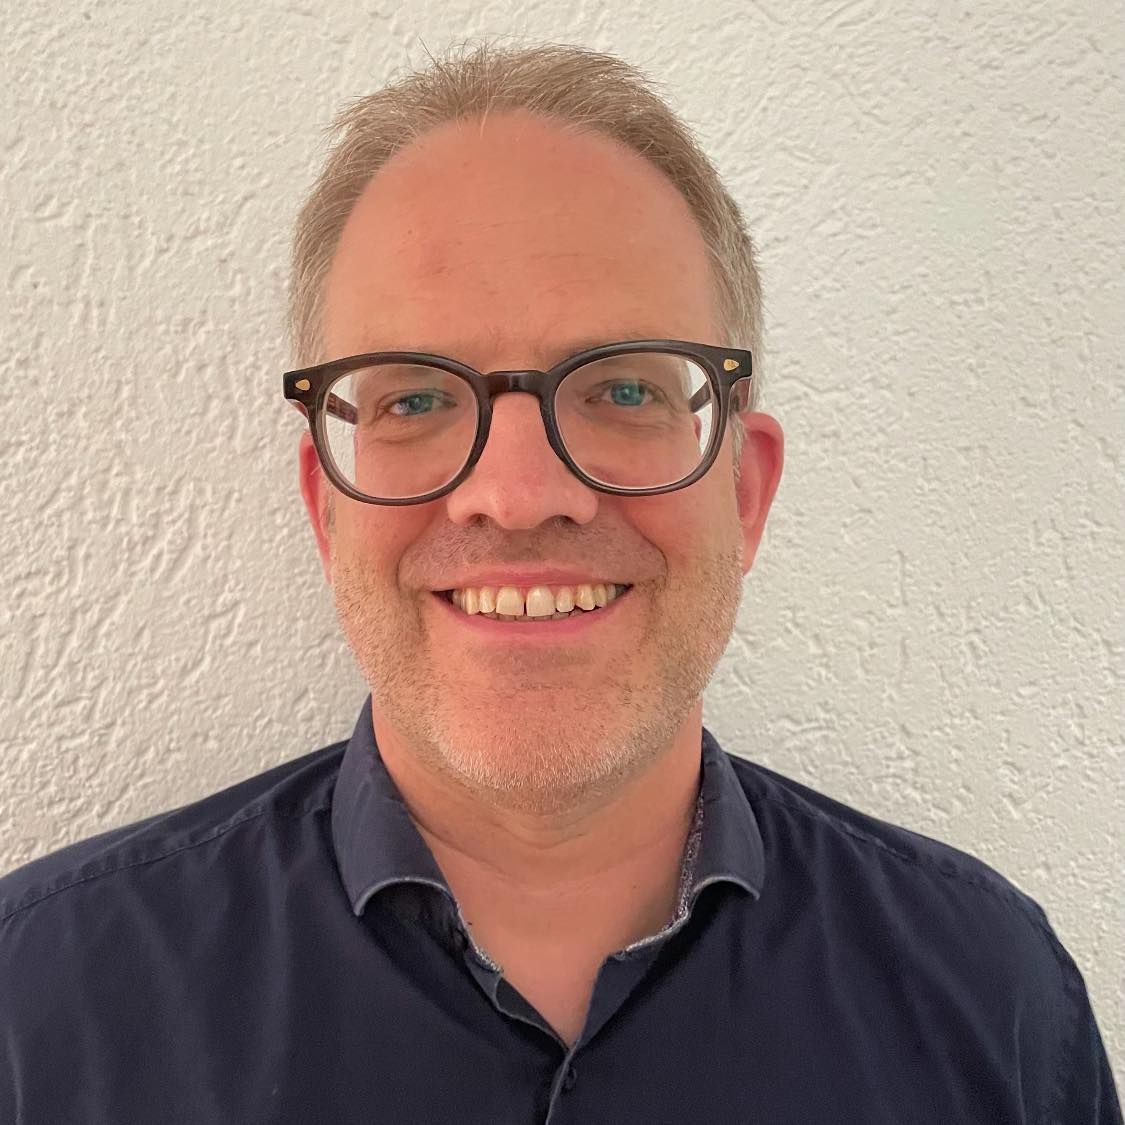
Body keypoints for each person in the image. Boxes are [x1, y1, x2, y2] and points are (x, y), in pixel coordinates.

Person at [1, 41, 1119, 1124]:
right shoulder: (38, 1009)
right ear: (324, 503)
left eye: (624, 391)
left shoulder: (993, 1000)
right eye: (414, 399)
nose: (519, 492)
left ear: (744, 490)